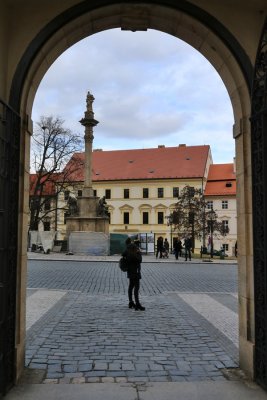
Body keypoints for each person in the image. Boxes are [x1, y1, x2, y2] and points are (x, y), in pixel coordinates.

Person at [122, 238, 145, 311]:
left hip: (130, 270)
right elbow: (139, 260)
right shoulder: (135, 250)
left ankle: (131, 302)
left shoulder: (127, 250)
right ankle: (137, 303)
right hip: (136, 270)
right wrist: (139, 253)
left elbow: (123, 254)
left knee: (131, 286)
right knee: (136, 287)